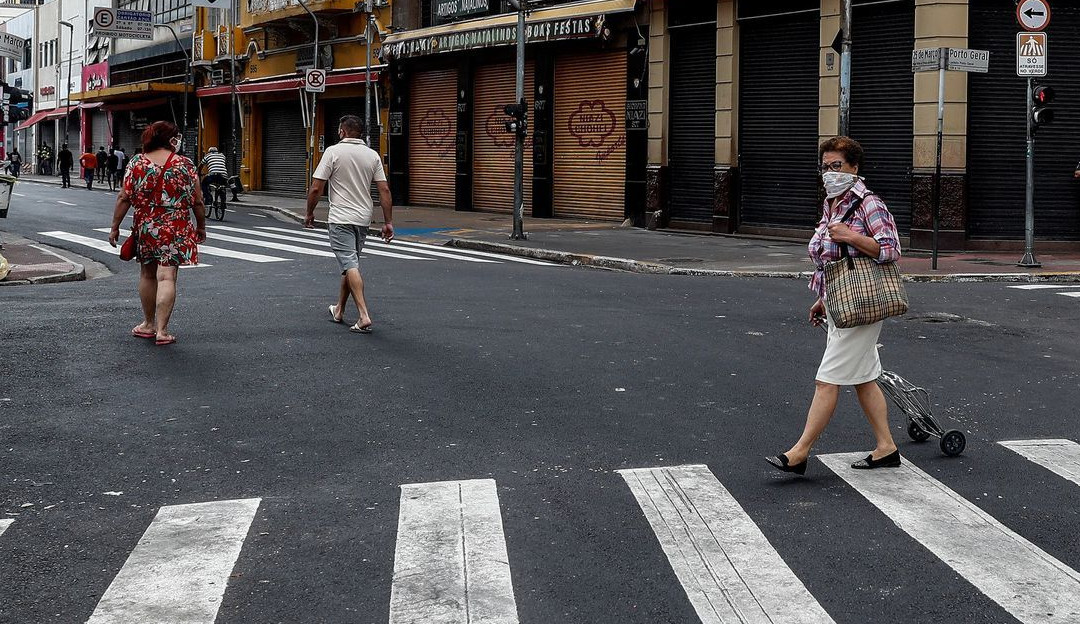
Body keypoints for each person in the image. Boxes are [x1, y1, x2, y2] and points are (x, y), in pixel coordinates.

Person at [766, 136, 902, 475]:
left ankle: (799, 452)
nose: (830, 173)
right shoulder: (834, 204)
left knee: (827, 380)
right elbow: (834, 262)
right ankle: (886, 447)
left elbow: (891, 249)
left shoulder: (869, 203)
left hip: (862, 305)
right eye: (825, 167)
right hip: (843, 303)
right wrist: (823, 299)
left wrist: (851, 236)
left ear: (854, 167)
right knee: (864, 379)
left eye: (836, 166)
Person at [108, 121, 205, 346]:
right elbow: (198, 201)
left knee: (148, 275)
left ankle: (148, 324)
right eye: (176, 136)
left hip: (147, 225)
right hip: (176, 225)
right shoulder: (185, 164)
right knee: (167, 276)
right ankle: (162, 331)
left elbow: (124, 197)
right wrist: (201, 226)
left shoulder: (137, 162)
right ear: (171, 139)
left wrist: (115, 226)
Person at [304, 115, 393, 334]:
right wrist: (388, 222)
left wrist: (309, 212)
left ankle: (363, 316)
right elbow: (384, 190)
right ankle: (339, 310)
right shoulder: (372, 155)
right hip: (362, 219)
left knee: (350, 264)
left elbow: (316, 188)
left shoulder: (332, 152)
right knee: (349, 263)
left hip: (341, 218)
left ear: (342, 131)